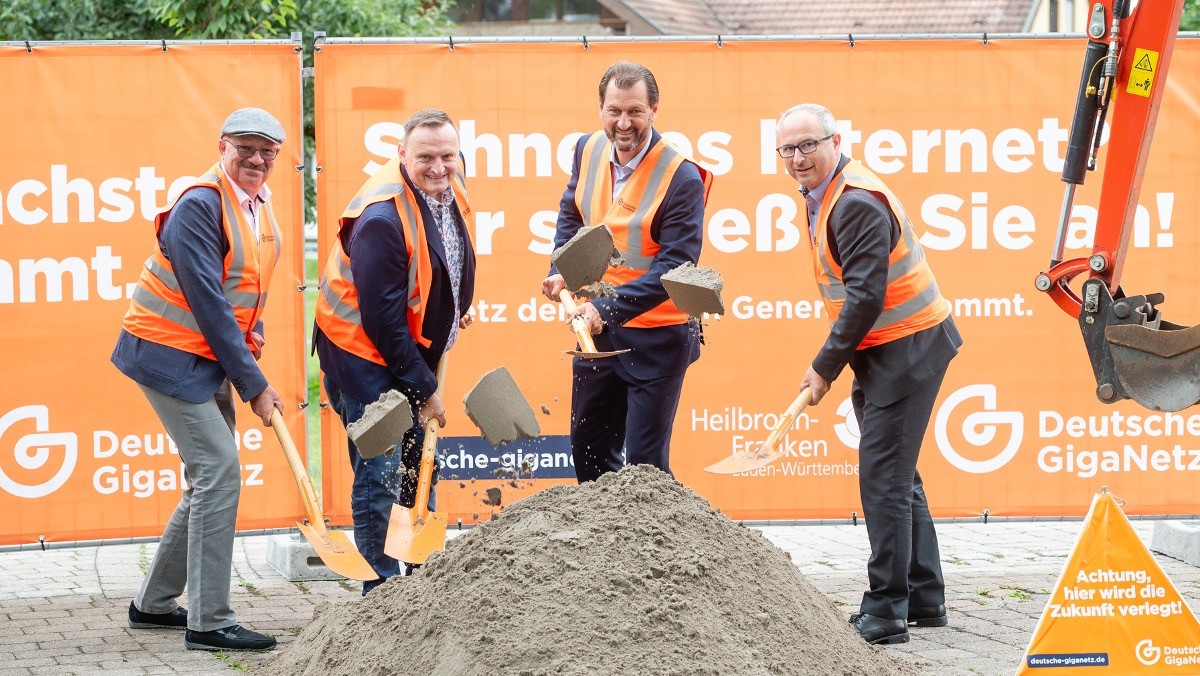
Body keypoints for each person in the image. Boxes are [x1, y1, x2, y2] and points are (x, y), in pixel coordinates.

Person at [776, 103, 962, 645]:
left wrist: (822, 368)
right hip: (893, 348)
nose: (797, 158)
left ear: (835, 141)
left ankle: (885, 611)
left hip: (907, 350)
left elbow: (865, 298)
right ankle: (925, 597)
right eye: (787, 149)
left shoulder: (853, 202)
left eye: (807, 145)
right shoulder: (827, 195)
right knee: (901, 477)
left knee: (883, 480)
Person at [111, 107, 287, 651]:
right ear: (222, 147)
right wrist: (254, 383)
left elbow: (238, 289)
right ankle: (210, 622)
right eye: (246, 148)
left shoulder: (256, 204)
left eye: (268, 151)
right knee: (219, 471)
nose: (257, 159)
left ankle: (153, 604)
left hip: (205, 355)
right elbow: (208, 304)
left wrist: (246, 347)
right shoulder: (199, 205)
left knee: (207, 477)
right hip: (166, 354)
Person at [314, 108, 475, 594]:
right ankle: (380, 595)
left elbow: (444, 257)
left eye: (448, 155)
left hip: (404, 347)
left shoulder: (447, 187)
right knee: (383, 469)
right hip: (360, 354)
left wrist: (453, 308)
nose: (438, 167)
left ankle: (420, 583)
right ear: (401, 155)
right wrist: (425, 391)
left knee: (418, 462)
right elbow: (382, 321)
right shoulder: (381, 218)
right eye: (425, 157)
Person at [541, 61, 712, 483]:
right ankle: (605, 550)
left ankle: (663, 548)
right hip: (597, 334)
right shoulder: (587, 149)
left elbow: (676, 266)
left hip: (658, 335)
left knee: (645, 469)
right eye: (614, 110)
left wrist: (604, 307)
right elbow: (572, 213)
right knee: (589, 451)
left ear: (654, 109)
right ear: (600, 108)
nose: (624, 123)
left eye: (635, 111)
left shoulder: (682, 177)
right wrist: (563, 267)